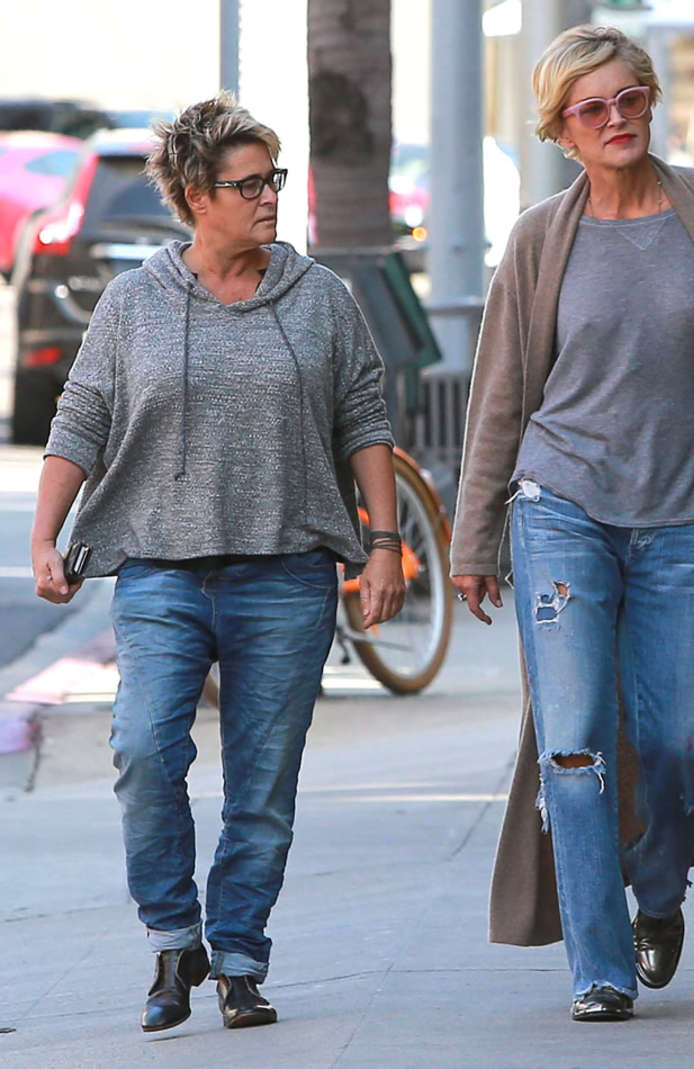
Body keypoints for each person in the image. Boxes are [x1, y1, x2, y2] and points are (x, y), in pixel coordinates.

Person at [450, 25, 694, 1023]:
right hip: (563, 512)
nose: (616, 120)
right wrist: (475, 537)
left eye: (630, 99)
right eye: (592, 109)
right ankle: (599, 966)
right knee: (575, 745)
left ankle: (658, 890)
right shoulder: (538, 239)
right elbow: (501, 396)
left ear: (652, 99)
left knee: (683, 735)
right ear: (561, 130)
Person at [30, 94, 405, 1033]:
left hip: (288, 572)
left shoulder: (320, 297)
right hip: (161, 569)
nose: (269, 196)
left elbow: (364, 417)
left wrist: (385, 543)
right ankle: (173, 936)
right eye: (249, 184)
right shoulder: (134, 301)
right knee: (143, 750)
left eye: (273, 178)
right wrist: (46, 534)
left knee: (262, 787)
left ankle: (238, 956)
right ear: (197, 196)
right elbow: (81, 418)